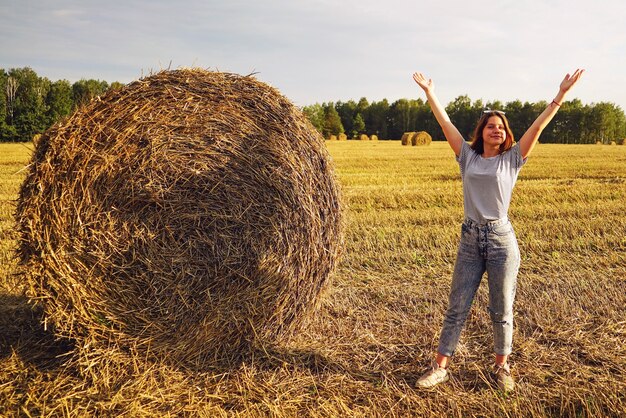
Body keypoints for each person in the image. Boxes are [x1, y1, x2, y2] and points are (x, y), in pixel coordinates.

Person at [412, 69, 584, 392]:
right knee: (457, 306)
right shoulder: (467, 156)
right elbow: (445, 123)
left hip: (502, 240)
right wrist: (431, 93)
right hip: (470, 239)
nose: (496, 130)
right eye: (491, 126)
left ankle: (502, 367)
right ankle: (439, 367)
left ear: (506, 135)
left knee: (502, 307)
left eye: (501, 127)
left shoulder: (513, 159)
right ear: (482, 131)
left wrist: (560, 95)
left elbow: (539, 125)